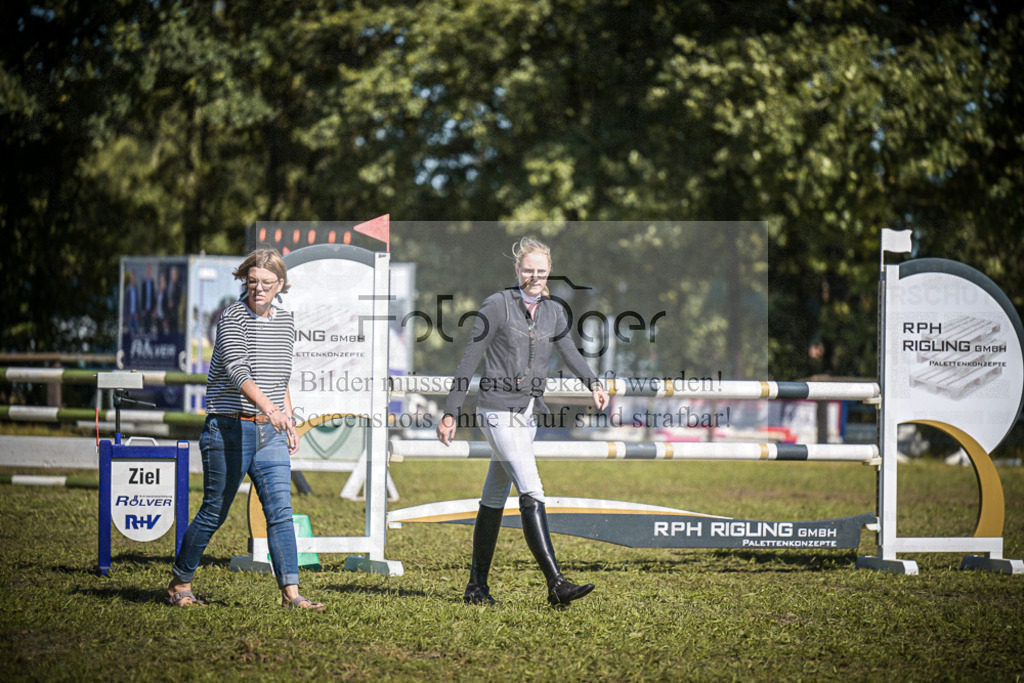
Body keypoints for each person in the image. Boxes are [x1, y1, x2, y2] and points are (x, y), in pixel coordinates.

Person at [437, 237, 610, 608]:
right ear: (517, 270)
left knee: (493, 497)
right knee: (532, 488)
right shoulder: (497, 305)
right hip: (496, 410)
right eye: (528, 270)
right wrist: (451, 410)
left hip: (528, 414)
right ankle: (556, 583)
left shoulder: (554, 311)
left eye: (541, 271)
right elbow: (470, 359)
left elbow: (569, 351)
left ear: (549, 271)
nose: (534, 276)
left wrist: (594, 383)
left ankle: (476, 588)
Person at [166, 248, 322, 611]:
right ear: (244, 281)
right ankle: (179, 583)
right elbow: (239, 371)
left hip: (271, 434)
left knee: (281, 512)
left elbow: (280, 378)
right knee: (214, 512)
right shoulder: (232, 317)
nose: (258, 288)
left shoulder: (285, 323)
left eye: (266, 282)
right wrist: (271, 409)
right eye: (252, 281)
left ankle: (292, 595)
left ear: (280, 284)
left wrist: (288, 418)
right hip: (228, 429)